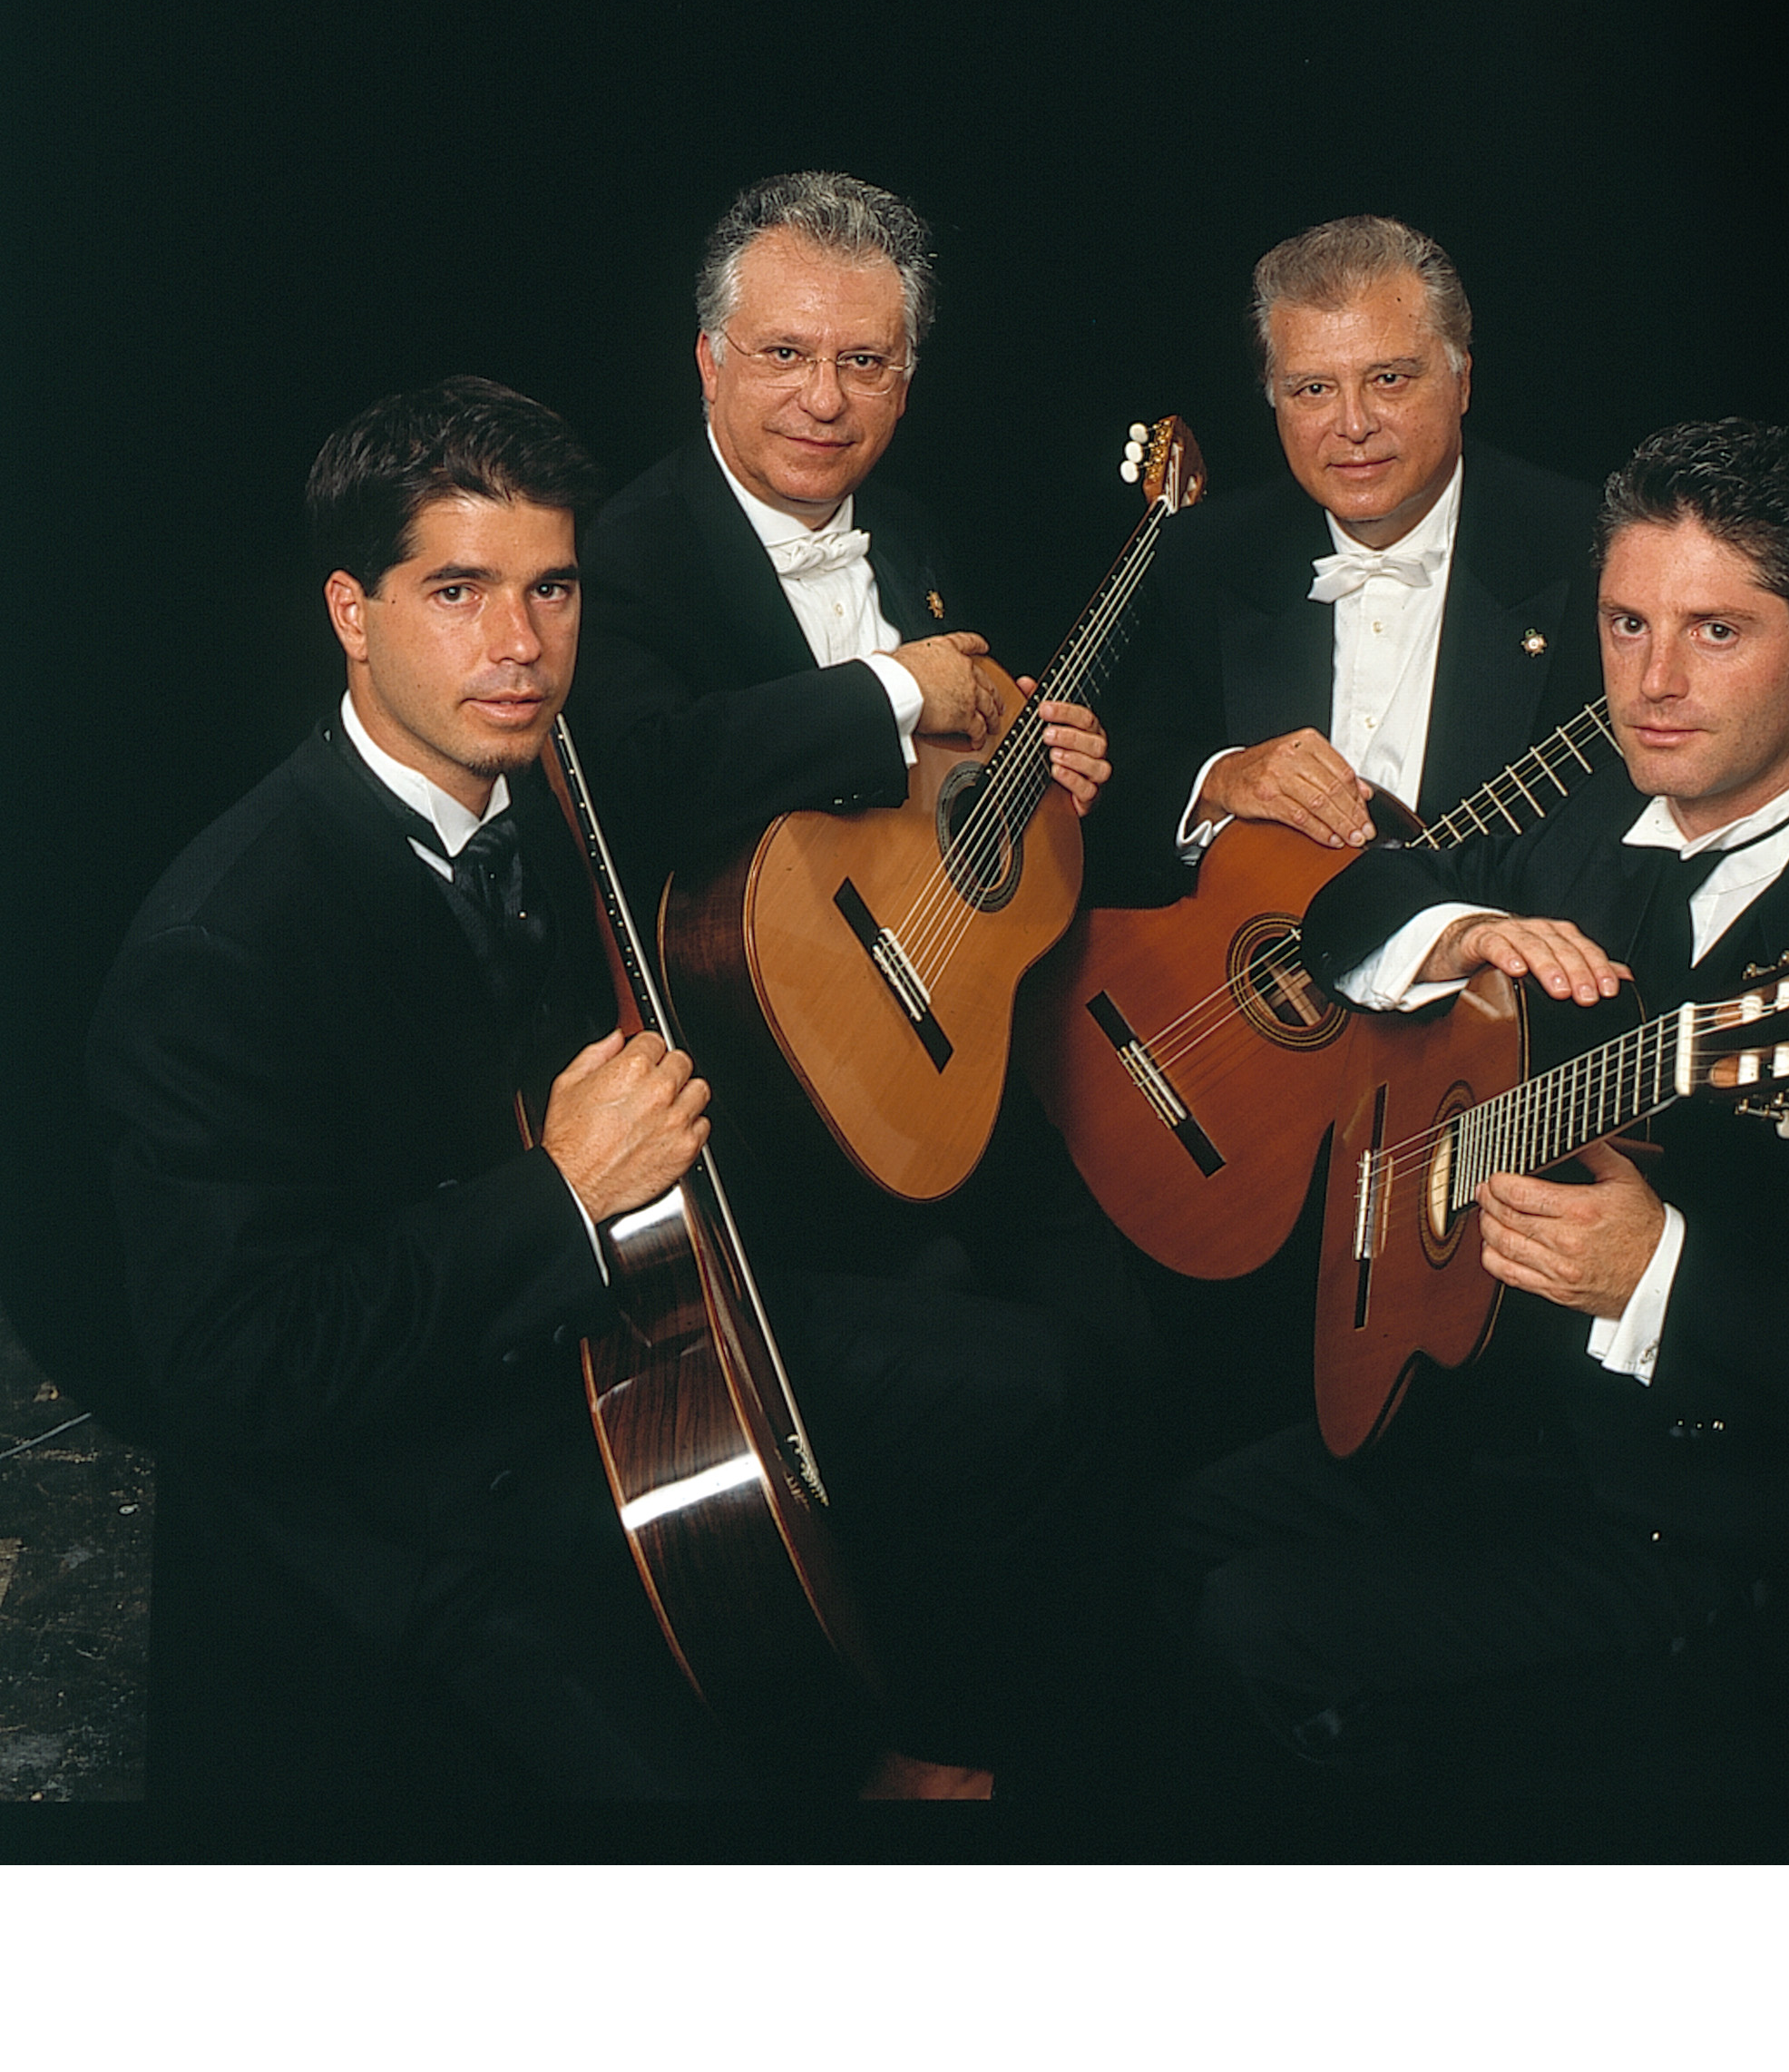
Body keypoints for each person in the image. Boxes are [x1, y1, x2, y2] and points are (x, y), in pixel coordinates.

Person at [88, 376, 1096, 1804]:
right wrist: (561, 1194)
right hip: (412, 1502)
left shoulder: (562, 790)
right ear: (350, 613)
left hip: (616, 1350)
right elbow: (240, 1370)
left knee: (1024, 1382)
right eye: (457, 591)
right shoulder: (224, 946)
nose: (520, 644)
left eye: (551, 589)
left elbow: (739, 826)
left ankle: (929, 1776)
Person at [1165, 417, 1789, 1804]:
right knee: (1174, 1528)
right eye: (1625, 623)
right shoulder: (1593, 809)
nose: (1654, 684)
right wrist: (1463, 932)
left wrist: (1657, 1272)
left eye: (1717, 632)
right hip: (1500, 1417)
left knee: (1260, 1621)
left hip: (1701, 1525)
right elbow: (1357, 897)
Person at [571, 172, 1150, 1371]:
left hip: (944, 1052)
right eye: (785, 353)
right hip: (766, 1127)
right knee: (1010, 1376)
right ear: (709, 362)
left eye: (866, 362)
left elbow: (915, 814)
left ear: (907, 379)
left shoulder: (915, 533)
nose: (825, 400)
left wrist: (1032, 771)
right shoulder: (622, 556)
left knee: (1128, 1339)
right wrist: (892, 689)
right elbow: (639, 777)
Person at [1089, 212, 1604, 903]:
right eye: (1313, 389)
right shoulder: (1206, 555)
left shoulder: (1589, 552)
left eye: (1389, 378)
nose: (1354, 425)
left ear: (1462, 381)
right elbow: (1117, 797)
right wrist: (1220, 781)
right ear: (1274, 399)